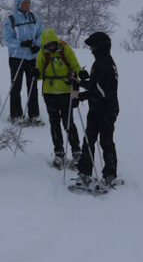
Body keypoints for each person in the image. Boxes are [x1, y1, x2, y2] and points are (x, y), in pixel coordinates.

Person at [73, 31, 119, 186]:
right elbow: (95, 84)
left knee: (106, 141)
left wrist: (80, 96)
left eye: (92, 47)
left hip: (106, 109)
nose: (91, 50)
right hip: (96, 108)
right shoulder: (100, 62)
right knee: (89, 139)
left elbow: (101, 92)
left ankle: (109, 174)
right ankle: (85, 172)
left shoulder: (105, 64)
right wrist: (79, 82)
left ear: (100, 47)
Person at [35, 29, 83, 168]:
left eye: (52, 44)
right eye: (47, 45)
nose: (50, 47)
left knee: (68, 122)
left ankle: (76, 151)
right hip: (49, 92)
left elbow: (74, 64)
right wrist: (36, 73)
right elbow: (39, 73)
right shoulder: (42, 53)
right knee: (54, 122)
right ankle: (59, 152)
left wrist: (80, 73)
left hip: (65, 90)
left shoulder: (65, 49)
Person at [3, 0, 43, 125]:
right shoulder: (11, 20)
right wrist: (21, 43)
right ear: (18, 4)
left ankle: (34, 115)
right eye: (24, 3)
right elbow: (8, 40)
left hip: (31, 57)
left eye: (28, 2)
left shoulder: (34, 17)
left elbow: (40, 33)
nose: (27, 5)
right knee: (16, 86)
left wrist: (37, 45)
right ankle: (16, 115)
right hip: (16, 58)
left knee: (32, 85)